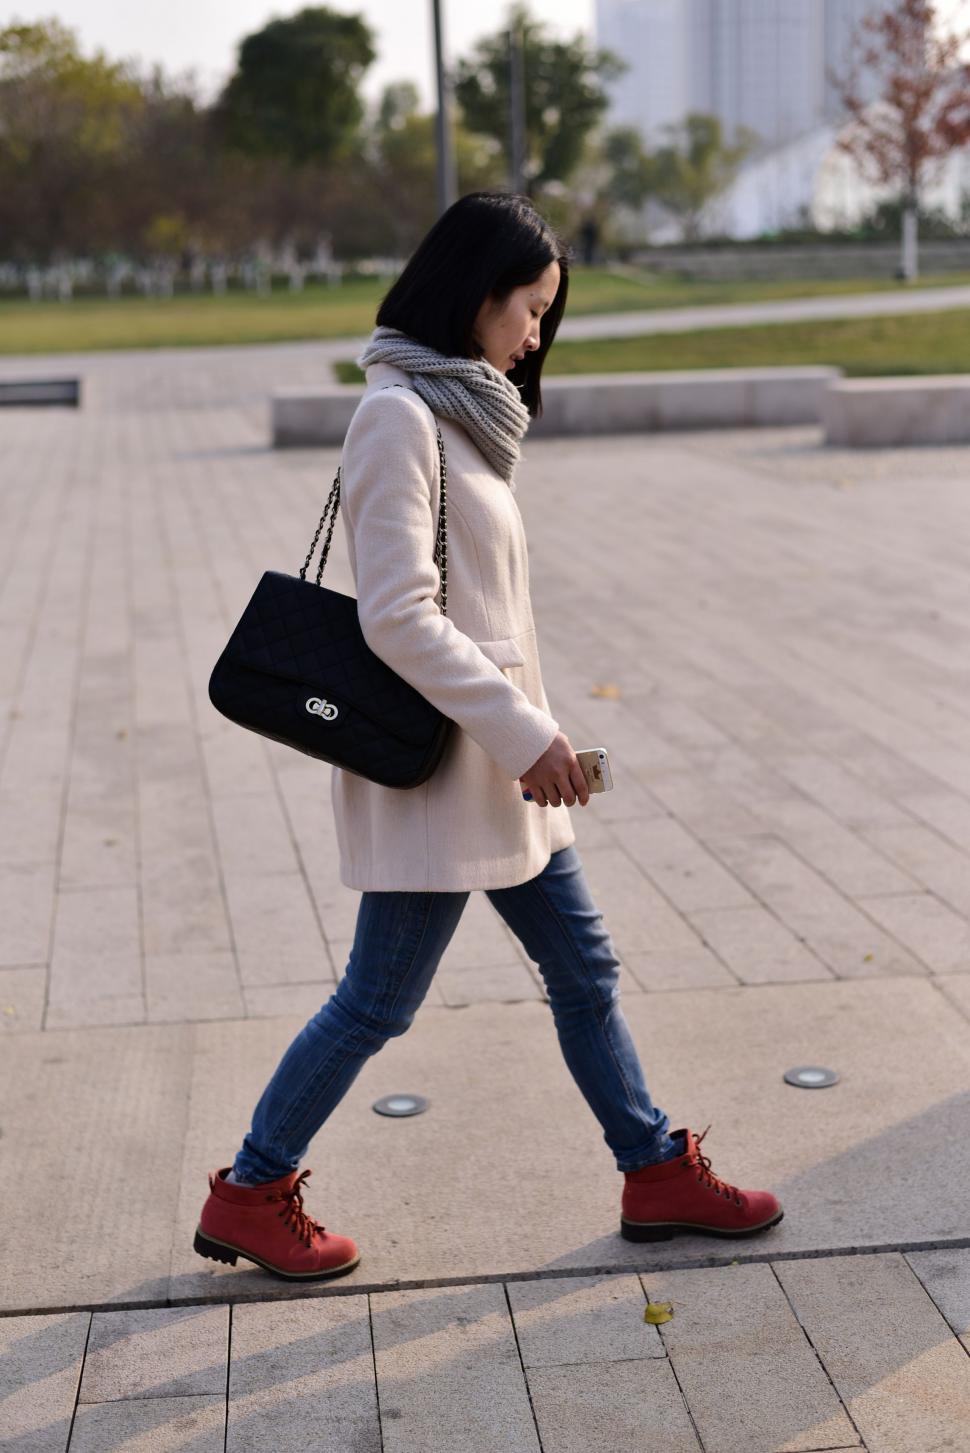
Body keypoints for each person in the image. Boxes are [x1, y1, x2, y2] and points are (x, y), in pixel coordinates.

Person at [194, 192, 783, 1282]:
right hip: (447, 772)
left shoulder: (458, 409)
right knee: (378, 1000)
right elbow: (397, 615)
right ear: (475, 293)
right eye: (530, 308)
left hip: (502, 770)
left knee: (583, 967)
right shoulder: (397, 417)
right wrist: (522, 733)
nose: (537, 335)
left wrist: (529, 735)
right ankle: (250, 1190)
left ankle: (653, 1167)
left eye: (548, 314)